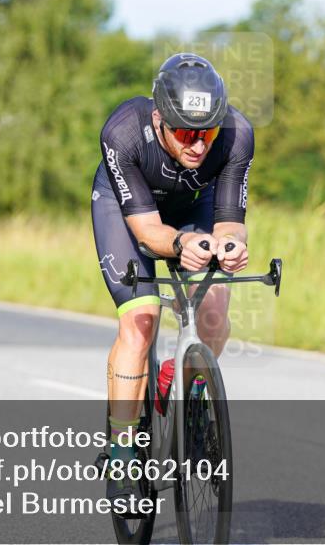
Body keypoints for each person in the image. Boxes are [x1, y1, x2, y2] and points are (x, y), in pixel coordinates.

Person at [91, 53, 254, 503]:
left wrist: (231, 245)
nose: (198, 145)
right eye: (185, 132)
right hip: (129, 211)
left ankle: (185, 390)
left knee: (216, 307)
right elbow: (147, 232)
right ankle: (123, 446)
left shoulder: (238, 135)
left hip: (192, 208)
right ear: (160, 118)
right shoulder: (123, 131)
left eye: (207, 132)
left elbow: (229, 219)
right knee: (141, 320)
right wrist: (182, 245)